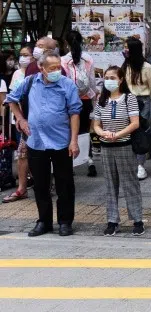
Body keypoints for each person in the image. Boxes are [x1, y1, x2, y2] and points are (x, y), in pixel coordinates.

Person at [7, 51, 82, 237]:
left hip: (61, 142)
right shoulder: (30, 82)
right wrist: (21, 119)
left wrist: (74, 141)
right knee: (40, 184)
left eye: (59, 68)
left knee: (64, 183)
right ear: (41, 68)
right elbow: (11, 100)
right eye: (52, 68)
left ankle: (65, 222)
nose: (57, 71)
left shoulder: (67, 85)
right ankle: (44, 221)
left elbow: (74, 113)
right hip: (36, 140)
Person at [91, 66, 143, 236]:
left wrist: (118, 134)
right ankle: (112, 221)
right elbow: (96, 125)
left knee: (130, 183)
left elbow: (135, 123)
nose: (109, 81)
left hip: (124, 145)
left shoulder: (129, 98)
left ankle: (137, 219)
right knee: (110, 185)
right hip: (106, 147)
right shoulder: (101, 99)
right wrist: (102, 133)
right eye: (107, 77)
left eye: (113, 77)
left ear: (121, 80)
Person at [60, 31, 98, 178]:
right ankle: (89, 160)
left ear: (66, 43)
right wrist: (93, 97)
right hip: (85, 100)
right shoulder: (88, 59)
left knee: (69, 131)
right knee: (84, 131)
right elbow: (93, 83)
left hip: (69, 100)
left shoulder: (63, 60)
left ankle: (71, 163)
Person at [124, 38, 151, 181]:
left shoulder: (147, 67)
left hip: (144, 102)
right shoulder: (126, 65)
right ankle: (130, 164)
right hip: (128, 100)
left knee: (142, 134)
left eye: (127, 47)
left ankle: (140, 165)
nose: (125, 50)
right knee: (128, 133)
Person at [2, 45, 33, 204]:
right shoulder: (17, 74)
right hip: (22, 122)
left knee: (43, 156)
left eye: (26, 55)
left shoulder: (40, 72)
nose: (23, 58)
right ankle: (22, 187)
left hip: (40, 122)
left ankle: (47, 184)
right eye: (21, 55)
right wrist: (19, 118)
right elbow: (11, 98)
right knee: (22, 154)